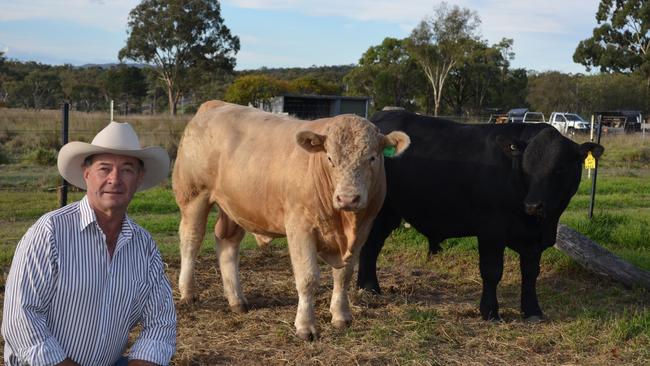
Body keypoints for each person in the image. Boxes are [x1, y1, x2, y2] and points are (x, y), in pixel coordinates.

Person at [2, 121, 176, 366]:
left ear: (139, 177)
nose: (115, 179)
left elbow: (161, 323)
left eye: (127, 169)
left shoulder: (144, 246)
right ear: (87, 174)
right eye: (104, 169)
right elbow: (21, 319)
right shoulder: (50, 232)